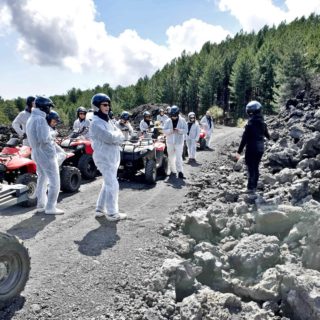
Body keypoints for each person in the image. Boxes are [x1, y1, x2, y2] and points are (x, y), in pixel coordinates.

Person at [89, 93, 126, 221]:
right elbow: (110, 137)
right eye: (104, 105)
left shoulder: (107, 120)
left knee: (108, 183)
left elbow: (119, 134)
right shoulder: (96, 123)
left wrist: (117, 136)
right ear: (96, 106)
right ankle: (112, 213)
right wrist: (118, 137)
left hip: (111, 156)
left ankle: (100, 209)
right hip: (104, 157)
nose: (108, 107)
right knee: (113, 184)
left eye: (108, 105)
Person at [26, 96, 64, 215]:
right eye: (49, 107)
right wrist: (52, 134)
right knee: (54, 181)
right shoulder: (40, 119)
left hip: (36, 152)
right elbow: (44, 138)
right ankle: (51, 207)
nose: (49, 109)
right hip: (45, 153)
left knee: (42, 179)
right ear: (44, 106)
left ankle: (41, 205)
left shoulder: (31, 118)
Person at [235, 100, 270, 193]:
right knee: (256, 167)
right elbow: (268, 136)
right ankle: (254, 186)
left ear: (250, 112)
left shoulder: (249, 124)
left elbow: (244, 139)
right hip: (260, 148)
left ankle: (250, 188)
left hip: (251, 148)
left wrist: (238, 152)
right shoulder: (263, 123)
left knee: (250, 168)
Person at [163, 105, 188, 179]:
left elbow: (186, 130)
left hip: (179, 142)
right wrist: (170, 131)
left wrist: (179, 130)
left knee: (178, 157)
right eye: (172, 116)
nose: (173, 117)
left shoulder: (182, 120)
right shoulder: (167, 121)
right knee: (171, 157)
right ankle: (173, 171)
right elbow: (164, 130)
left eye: (174, 115)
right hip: (170, 141)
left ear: (177, 114)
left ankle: (180, 172)